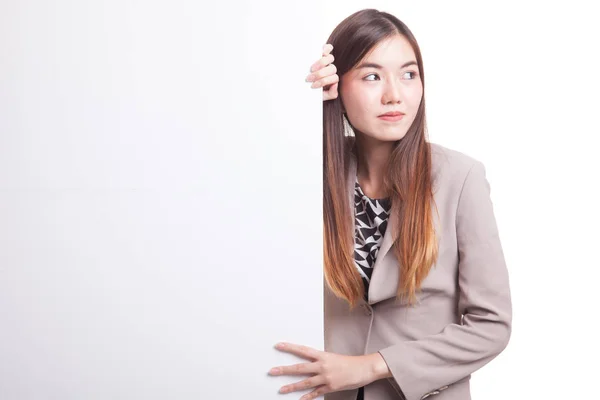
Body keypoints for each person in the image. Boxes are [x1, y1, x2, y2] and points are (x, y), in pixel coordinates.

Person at [267, 8, 512, 400]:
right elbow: (248, 158)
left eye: (409, 74)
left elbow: (491, 325)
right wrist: (307, 99)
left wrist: (372, 365)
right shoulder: (309, 173)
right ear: (338, 86)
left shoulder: (460, 178)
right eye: (371, 76)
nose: (394, 94)